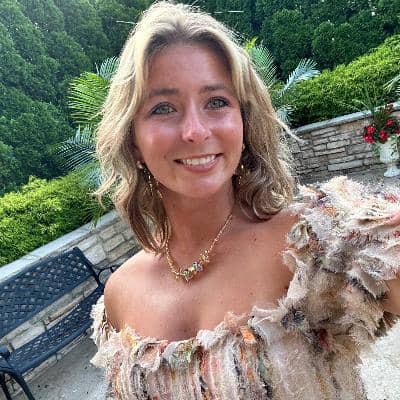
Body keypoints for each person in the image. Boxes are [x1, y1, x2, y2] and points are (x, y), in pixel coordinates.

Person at [90, 2, 400, 399]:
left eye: (217, 101)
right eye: (163, 108)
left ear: (244, 121)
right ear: (132, 140)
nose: (195, 131)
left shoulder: (312, 243)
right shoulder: (120, 294)